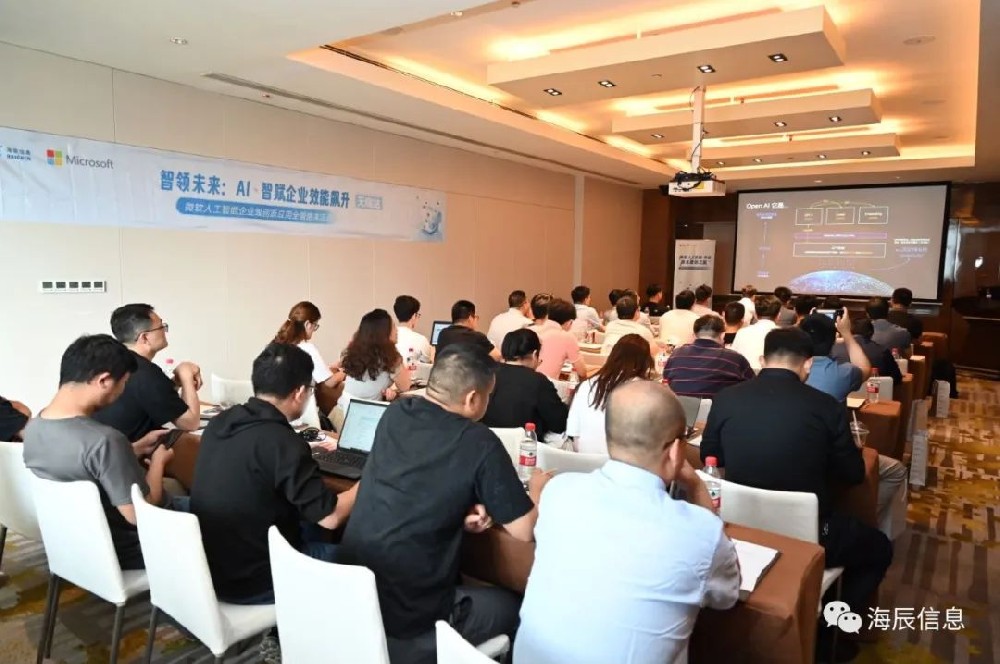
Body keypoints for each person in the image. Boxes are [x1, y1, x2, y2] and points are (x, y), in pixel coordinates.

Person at [339, 344, 551, 664]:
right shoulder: (478, 440)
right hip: (411, 620)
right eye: (488, 396)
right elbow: (523, 530)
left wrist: (462, 505)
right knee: (517, 606)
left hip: (356, 598)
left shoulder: (396, 413)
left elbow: (416, 479)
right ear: (472, 398)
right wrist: (538, 489)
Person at [700, 328, 893, 659]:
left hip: (741, 528)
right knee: (879, 548)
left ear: (762, 360)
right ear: (808, 364)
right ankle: (827, 631)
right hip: (810, 536)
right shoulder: (826, 407)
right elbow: (853, 473)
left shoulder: (727, 398)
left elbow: (710, 457)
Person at [516, 380, 739, 664]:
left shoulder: (559, 491)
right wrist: (696, 484)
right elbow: (726, 596)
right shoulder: (701, 531)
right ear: (675, 451)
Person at [191, 343, 357, 604]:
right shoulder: (283, 442)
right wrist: (365, 482)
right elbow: (331, 518)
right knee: (363, 557)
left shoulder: (222, 422)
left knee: (308, 522)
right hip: (259, 579)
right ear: (299, 392)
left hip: (209, 567)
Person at [23, 334, 175, 570]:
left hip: (73, 544)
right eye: (124, 383)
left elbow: (81, 464)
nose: (122, 391)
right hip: (128, 550)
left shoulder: (35, 426)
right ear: (104, 380)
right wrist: (158, 462)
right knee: (219, 515)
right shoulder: (106, 440)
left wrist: (131, 449)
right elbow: (142, 514)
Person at [93, 303, 202, 441]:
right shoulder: (145, 372)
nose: (165, 331)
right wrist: (186, 376)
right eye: (161, 327)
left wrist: (175, 382)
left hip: (104, 446)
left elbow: (152, 397)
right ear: (144, 337)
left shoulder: (111, 362)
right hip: (132, 451)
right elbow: (190, 423)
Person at [567, 334, 654, 455]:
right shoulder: (645, 390)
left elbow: (573, 435)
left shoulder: (586, 385)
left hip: (585, 460)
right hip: (625, 462)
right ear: (645, 362)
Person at [481, 329, 568, 439]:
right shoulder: (538, 381)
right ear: (534, 354)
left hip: (485, 441)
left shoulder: (485, 373)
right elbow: (559, 424)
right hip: (525, 446)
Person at [273, 301, 346, 414]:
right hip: (302, 415)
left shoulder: (277, 345)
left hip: (277, 411)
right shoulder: (307, 348)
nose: (314, 330)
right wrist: (347, 371)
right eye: (315, 325)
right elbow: (329, 383)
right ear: (307, 324)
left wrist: (330, 367)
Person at [663, 315, 756, 398]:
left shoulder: (676, 354)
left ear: (694, 335)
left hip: (681, 409)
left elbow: (666, 379)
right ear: (723, 335)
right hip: (718, 410)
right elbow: (754, 385)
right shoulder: (734, 358)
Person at [339, 309, 412, 409]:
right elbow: (405, 387)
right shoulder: (391, 357)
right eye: (393, 326)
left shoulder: (354, 351)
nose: (397, 330)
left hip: (340, 411)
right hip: (364, 415)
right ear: (384, 332)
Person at [800, 312, 871, 401]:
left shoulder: (788, 368)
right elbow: (865, 368)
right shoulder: (842, 373)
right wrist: (846, 334)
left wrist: (809, 321)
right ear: (834, 340)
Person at [831, 318, 903, 385]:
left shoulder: (834, 349)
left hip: (845, 393)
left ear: (850, 332)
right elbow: (897, 378)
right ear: (872, 333)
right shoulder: (883, 351)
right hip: (879, 393)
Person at [535, 299, 588, 380]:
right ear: (569, 322)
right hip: (546, 385)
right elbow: (582, 372)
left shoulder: (533, 330)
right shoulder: (567, 337)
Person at [730, 295, 782, 371]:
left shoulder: (742, 332)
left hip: (744, 375)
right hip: (772, 376)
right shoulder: (784, 335)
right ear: (778, 316)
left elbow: (733, 358)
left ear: (756, 315)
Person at [437, 300, 502, 360]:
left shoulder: (442, 334)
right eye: (476, 317)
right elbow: (497, 356)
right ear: (470, 318)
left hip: (443, 368)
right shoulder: (477, 337)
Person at [393, 295, 434, 366]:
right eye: (417, 315)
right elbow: (426, 365)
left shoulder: (388, 336)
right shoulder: (421, 339)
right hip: (411, 373)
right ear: (413, 316)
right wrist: (432, 354)